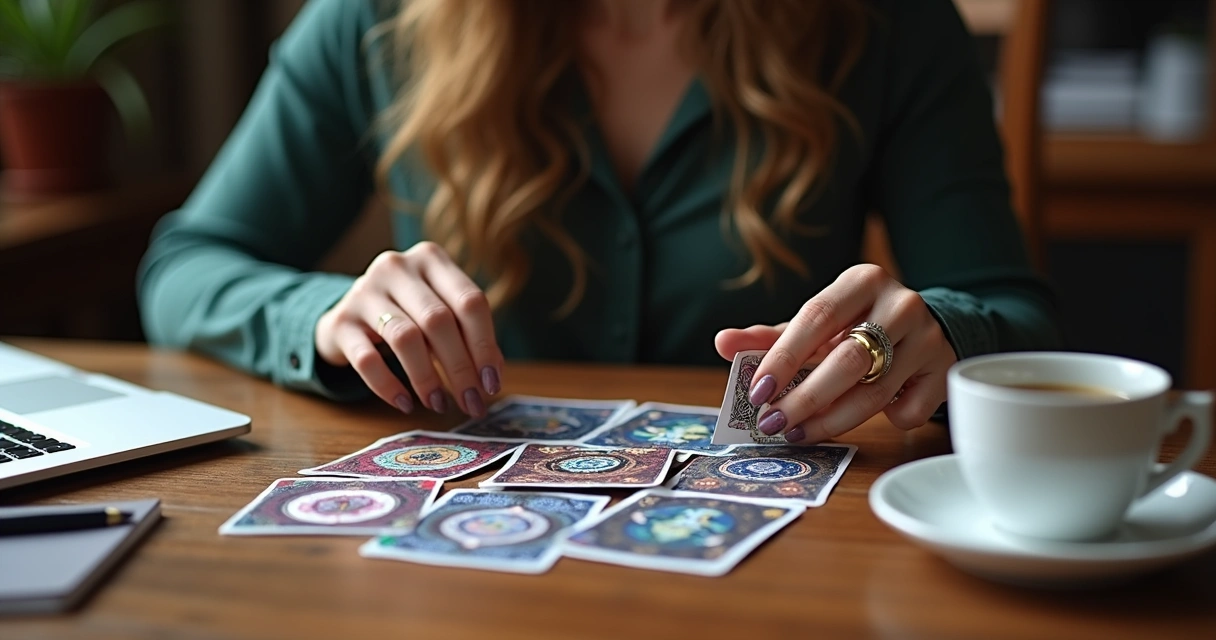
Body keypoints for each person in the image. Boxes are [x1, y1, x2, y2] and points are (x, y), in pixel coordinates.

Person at [138, 0, 1062, 444]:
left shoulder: (886, 25)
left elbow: (1017, 319)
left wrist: (945, 327)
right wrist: (329, 318)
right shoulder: (374, 20)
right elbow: (184, 267)